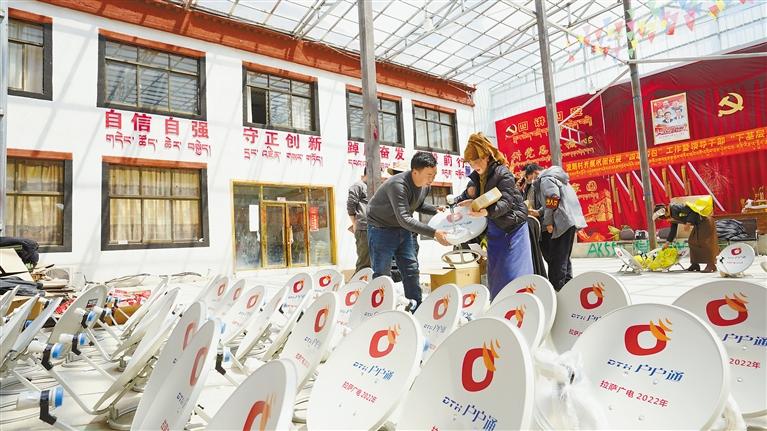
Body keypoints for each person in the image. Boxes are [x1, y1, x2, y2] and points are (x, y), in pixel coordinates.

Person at [367, 152, 450, 308]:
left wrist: (435, 209)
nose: (432, 179)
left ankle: (416, 307)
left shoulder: (425, 186)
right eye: (429, 175)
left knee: (411, 268)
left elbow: (417, 204)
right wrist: (434, 233)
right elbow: (405, 218)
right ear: (415, 172)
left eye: (434, 175)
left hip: (402, 229)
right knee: (382, 273)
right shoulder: (397, 185)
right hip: (381, 229)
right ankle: (380, 310)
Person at [459, 133, 533, 299]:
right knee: (495, 274)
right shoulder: (479, 177)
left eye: (476, 160)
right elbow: (485, 198)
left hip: (513, 228)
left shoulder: (503, 173)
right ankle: (499, 306)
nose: (473, 165)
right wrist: (471, 202)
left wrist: (486, 212)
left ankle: (521, 304)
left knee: (513, 272)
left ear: (486, 156)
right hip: (495, 227)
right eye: (470, 162)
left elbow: (506, 202)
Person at [534, 165, 587, 291]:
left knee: (557, 259)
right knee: (564, 258)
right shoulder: (559, 179)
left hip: (561, 222)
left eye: (530, 177)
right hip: (569, 222)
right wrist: (539, 212)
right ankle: (568, 288)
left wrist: (548, 222)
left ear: (535, 173)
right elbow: (554, 200)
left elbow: (553, 198)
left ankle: (557, 290)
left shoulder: (546, 179)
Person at [654, 200, 718, 272]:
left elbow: (692, 211)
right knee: (692, 241)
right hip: (698, 224)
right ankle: (695, 264)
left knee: (705, 242)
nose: (663, 218)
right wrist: (667, 242)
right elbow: (673, 230)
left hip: (705, 221)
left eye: (661, 217)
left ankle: (711, 264)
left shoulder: (675, 208)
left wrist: (688, 223)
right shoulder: (671, 215)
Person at [347, 168, 370, 273]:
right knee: (364, 262)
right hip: (363, 228)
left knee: (373, 261)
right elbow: (351, 205)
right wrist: (354, 223)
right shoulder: (358, 186)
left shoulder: (373, 187)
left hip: (375, 227)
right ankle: (356, 282)